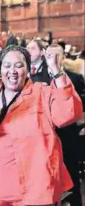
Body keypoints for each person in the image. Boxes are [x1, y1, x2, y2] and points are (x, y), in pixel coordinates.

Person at [0, 45, 83, 206]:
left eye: (19, 66)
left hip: (34, 190)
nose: (12, 71)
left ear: (29, 69)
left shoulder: (42, 93)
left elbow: (68, 114)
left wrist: (56, 71)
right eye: (7, 66)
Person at [29, 44, 85, 206]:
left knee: (72, 178)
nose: (52, 58)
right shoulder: (37, 77)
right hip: (49, 137)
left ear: (63, 58)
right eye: (49, 55)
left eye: (56, 55)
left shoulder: (74, 78)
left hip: (68, 135)